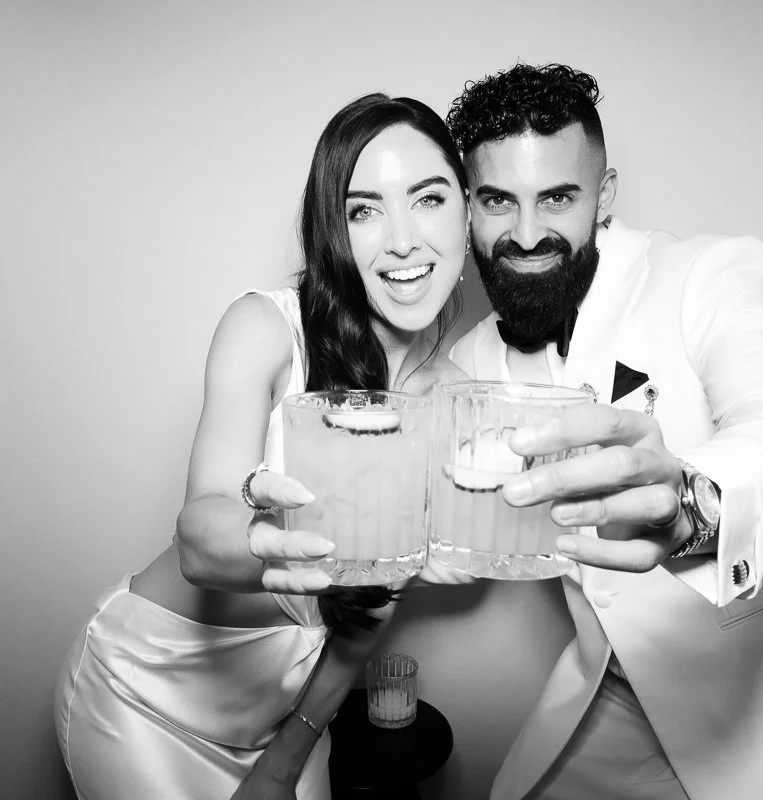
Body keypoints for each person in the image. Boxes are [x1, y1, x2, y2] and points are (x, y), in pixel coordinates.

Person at [256, 64, 763, 800]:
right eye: (497, 200)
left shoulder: (707, 274)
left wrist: (694, 502)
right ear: (466, 210)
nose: (527, 232)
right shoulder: (463, 366)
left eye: (558, 197)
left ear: (603, 196)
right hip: (608, 694)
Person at [54, 92, 471, 800]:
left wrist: (284, 762)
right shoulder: (267, 329)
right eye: (362, 209)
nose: (401, 240)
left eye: (427, 200)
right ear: (333, 230)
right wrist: (269, 535)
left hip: (282, 715)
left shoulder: (455, 402)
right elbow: (199, 533)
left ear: (466, 209)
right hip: (143, 695)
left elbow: (373, 607)